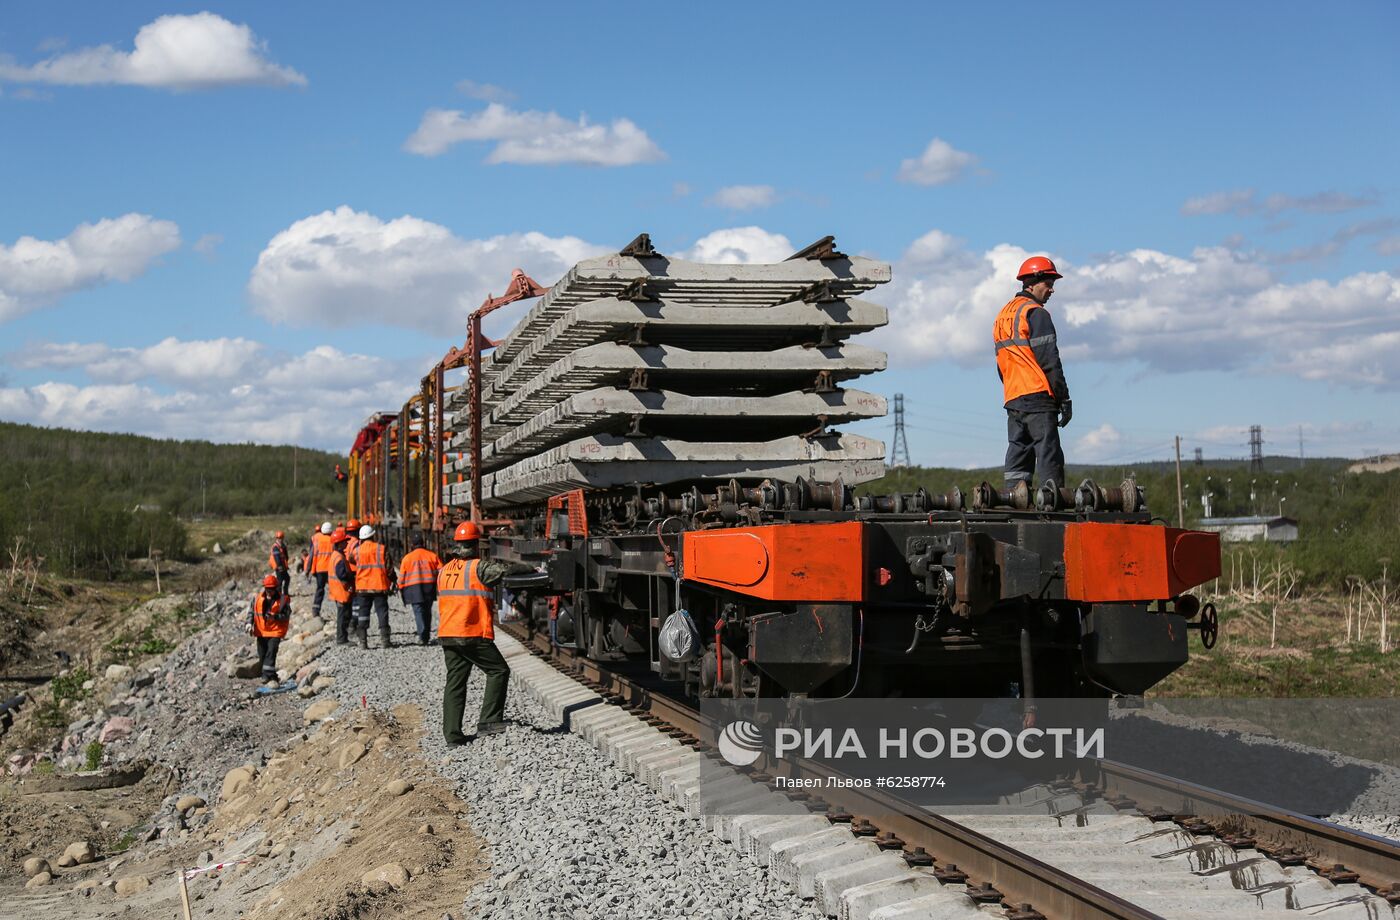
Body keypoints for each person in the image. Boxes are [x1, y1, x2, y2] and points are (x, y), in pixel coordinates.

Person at [438, 520, 533, 743]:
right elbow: (506, 571)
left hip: (447, 634)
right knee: (498, 671)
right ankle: (489, 721)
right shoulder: (478, 567)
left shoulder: (444, 570)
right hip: (470, 632)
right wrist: (531, 567)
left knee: (455, 682)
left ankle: (452, 735)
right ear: (475, 544)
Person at [994, 256, 1071, 490]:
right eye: (1048, 284)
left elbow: (1002, 363)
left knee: (1018, 453)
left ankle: (1013, 501)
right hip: (1038, 395)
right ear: (1033, 282)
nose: (1051, 290)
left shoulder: (1003, 315)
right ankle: (1052, 504)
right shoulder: (1035, 313)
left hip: (1013, 397)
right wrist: (1063, 398)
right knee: (1048, 454)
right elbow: (1050, 361)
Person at [353, 524, 397, 649]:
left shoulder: (356, 550)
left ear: (361, 538)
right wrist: (393, 579)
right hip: (379, 586)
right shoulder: (381, 549)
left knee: (363, 613)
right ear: (373, 535)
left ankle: (363, 642)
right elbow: (389, 568)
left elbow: (351, 560)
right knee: (382, 612)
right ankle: (385, 641)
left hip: (362, 587)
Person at [398, 532, 443, 645]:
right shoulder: (432, 555)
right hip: (429, 587)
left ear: (412, 544)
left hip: (414, 589)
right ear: (423, 543)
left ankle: (422, 635)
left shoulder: (407, 558)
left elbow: (402, 577)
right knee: (427, 611)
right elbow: (442, 570)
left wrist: (400, 587)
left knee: (418, 611)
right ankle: (426, 635)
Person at [246, 574, 292, 683]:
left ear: (276, 588)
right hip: (261, 631)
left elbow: (287, 615)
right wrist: (248, 624)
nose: (269, 591)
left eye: (271, 589)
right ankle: (273, 676)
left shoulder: (283, 600)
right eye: (267, 589)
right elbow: (251, 612)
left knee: (271, 652)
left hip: (275, 631)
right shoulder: (257, 599)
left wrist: (275, 617)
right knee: (262, 656)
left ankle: (266, 677)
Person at [327, 528, 356, 645]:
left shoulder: (336, 555)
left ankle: (342, 637)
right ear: (339, 543)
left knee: (343, 615)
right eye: (344, 541)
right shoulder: (338, 557)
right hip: (341, 591)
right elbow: (341, 575)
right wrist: (351, 578)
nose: (347, 543)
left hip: (338, 591)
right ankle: (341, 639)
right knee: (343, 616)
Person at [308, 522, 335, 618]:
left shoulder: (318, 540)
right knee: (335, 589)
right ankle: (340, 609)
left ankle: (316, 609)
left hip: (319, 569)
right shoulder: (333, 540)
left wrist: (312, 570)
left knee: (320, 589)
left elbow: (314, 556)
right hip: (330, 569)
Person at [268, 530, 291, 596]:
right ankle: (279, 595)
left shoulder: (282, 546)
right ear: (276, 538)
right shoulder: (275, 547)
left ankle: (285, 593)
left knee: (287, 579)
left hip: (283, 567)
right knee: (280, 582)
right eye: (278, 538)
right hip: (279, 567)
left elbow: (285, 556)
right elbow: (277, 558)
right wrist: (280, 567)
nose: (280, 539)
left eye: (281, 538)